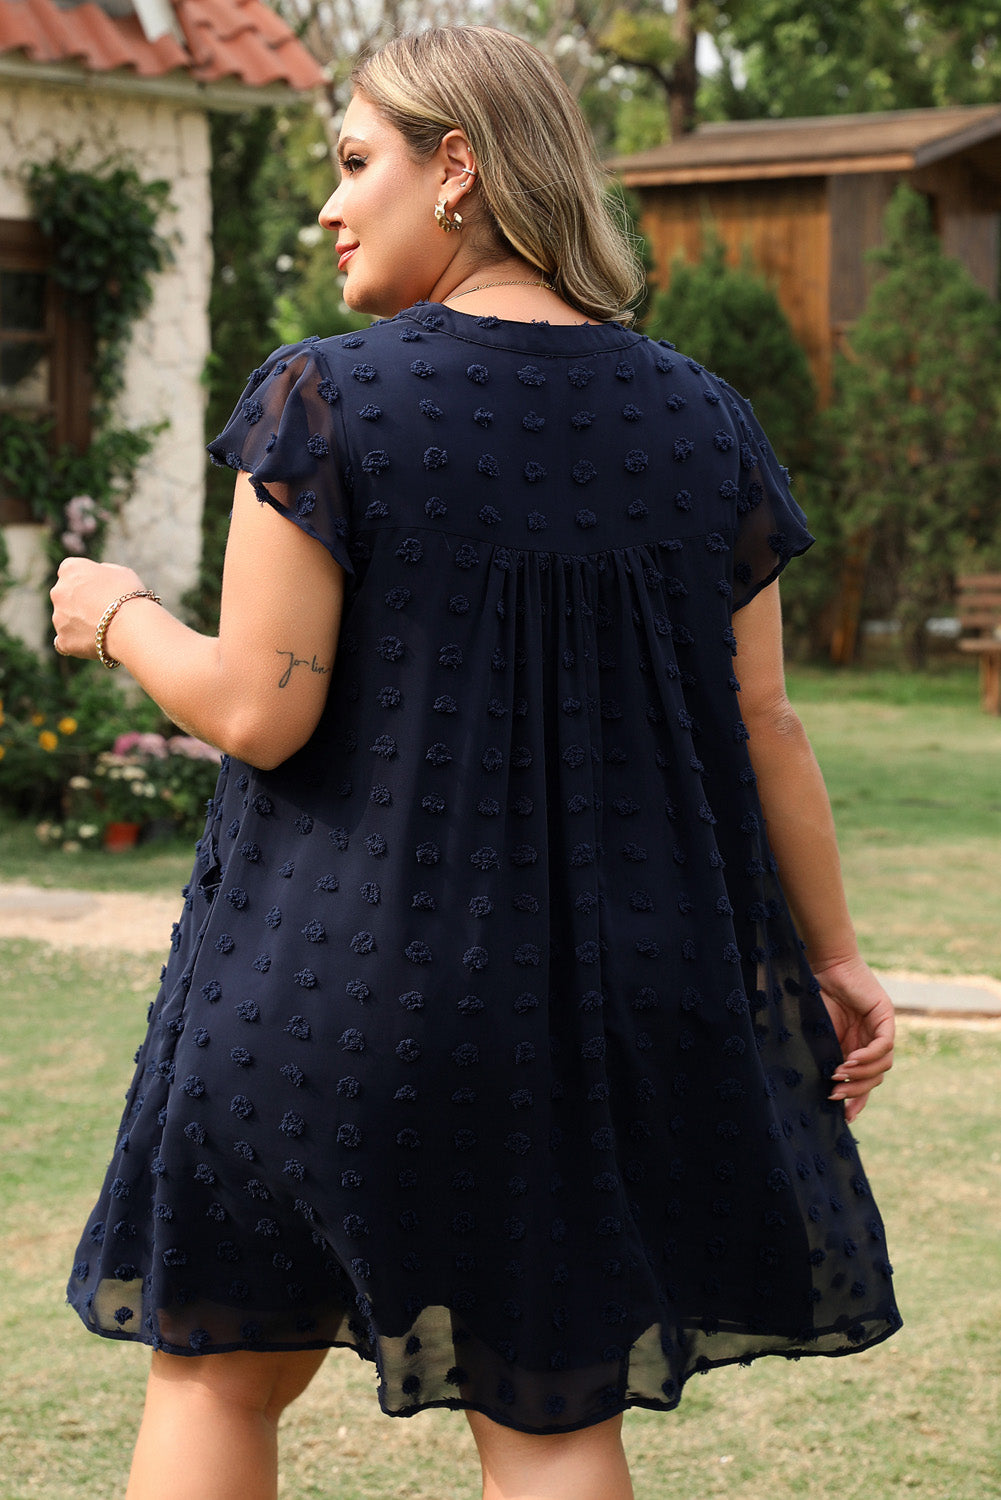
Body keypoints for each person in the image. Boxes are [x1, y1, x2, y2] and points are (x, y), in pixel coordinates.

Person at [51, 25, 900, 1500]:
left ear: (458, 167)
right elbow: (766, 723)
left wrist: (116, 612)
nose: (330, 206)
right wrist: (834, 958)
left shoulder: (324, 399)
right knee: (553, 1416)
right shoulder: (702, 420)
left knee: (219, 1379)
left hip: (325, 995)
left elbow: (258, 710)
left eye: (353, 162)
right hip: (594, 1022)